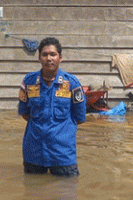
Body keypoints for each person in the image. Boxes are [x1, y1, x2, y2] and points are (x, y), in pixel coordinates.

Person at [18, 37, 86, 176]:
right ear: (39, 58)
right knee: (32, 192)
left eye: (53, 54)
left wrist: (60, 131)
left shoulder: (72, 83)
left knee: (67, 193)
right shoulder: (29, 82)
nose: (49, 58)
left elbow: (79, 117)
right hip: (34, 152)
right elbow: (24, 113)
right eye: (45, 54)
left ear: (60, 57)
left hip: (62, 155)